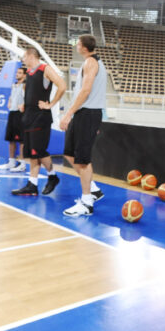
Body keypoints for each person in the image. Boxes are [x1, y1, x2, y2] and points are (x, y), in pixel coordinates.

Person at [59, 34, 107, 216]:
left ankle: (87, 203)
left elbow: (86, 90)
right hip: (83, 114)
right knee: (69, 153)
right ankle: (93, 189)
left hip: (88, 114)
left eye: (78, 43)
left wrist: (68, 114)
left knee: (83, 160)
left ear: (84, 47)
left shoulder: (91, 62)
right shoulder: (90, 62)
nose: (76, 46)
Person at [11, 47, 67, 197]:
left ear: (31, 56)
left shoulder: (45, 69)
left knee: (39, 151)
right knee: (32, 153)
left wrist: (51, 104)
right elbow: (31, 93)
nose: (23, 60)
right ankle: (32, 184)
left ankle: (53, 176)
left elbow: (62, 86)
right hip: (29, 116)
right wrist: (25, 104)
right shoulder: (29, 72)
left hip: (40, 117)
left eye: (24, 57)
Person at [0, 66, 26, 171]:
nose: (17, 74)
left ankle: (22, 164)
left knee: (21, 141)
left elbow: (29, 98)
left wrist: (24, 105)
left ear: (24, 75)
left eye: (20, 73)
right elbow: (12, 96)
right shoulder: (14, 85)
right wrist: (9, 101)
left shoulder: (25, 85)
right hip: (12, 113)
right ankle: (11, 162)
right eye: (17, 72)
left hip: (20, 114)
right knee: (11, 139)